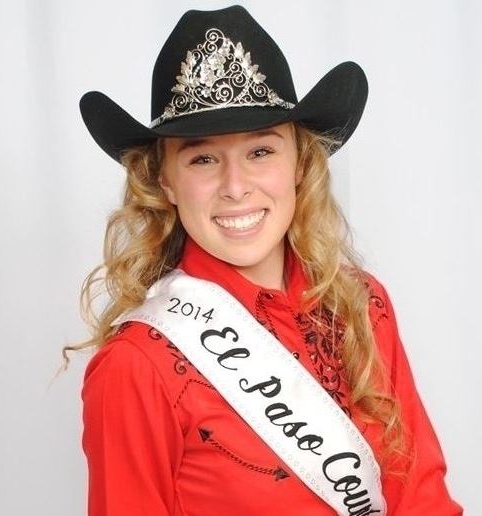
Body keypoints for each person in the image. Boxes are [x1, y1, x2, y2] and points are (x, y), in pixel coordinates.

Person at [65, 5, 463, 515]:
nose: (236, 187)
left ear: (299, 163)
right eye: (203, 158)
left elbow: (422, 495)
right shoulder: (136, 365)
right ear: (164, 181)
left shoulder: (361, 303)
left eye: (260, 151)